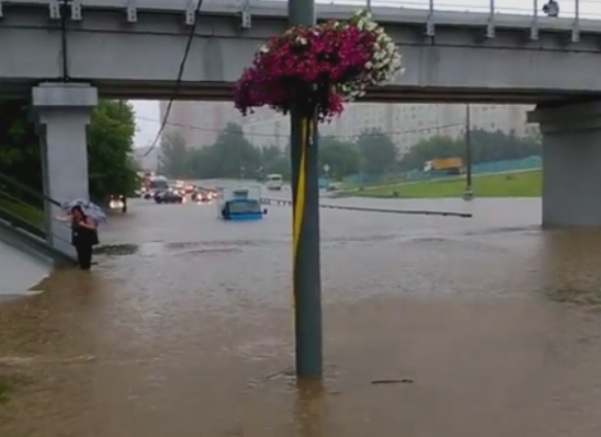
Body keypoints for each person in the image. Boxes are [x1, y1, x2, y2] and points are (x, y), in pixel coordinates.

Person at [57, 205, 99, 270]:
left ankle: (87, 269)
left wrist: (84, 225)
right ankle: (83, 268)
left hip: (86, 241)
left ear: (80, 211)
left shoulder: (87, 218)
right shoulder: (73, 218)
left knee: (87, 256)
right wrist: (61, 215)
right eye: (74, 212)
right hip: (78, 240)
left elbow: (93, 227)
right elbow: (62, 219)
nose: (76, 213)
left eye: (77, 212)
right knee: (80, 256)